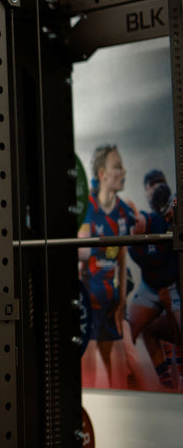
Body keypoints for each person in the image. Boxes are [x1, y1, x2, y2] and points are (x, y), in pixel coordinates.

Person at [77, 144, 145, 389]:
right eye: (117, 166)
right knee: (88, 382)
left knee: (120, 381)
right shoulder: (86, 209)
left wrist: (121, 310)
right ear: (103, 174)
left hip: (112, 306)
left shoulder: (124, 212)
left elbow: (122, 258)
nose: (123, 171)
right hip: (88, 306)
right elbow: (78, 255)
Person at [127, 169, 181, 390]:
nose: (168, 218)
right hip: (151, 287)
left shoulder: (173, 211)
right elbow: (142, 220)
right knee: (134, 328)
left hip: (174, 287)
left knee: (176, 331)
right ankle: (165, 383)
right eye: (150, 189)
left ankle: (177, 380)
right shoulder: (152, 219)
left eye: (159, 185)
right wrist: (138, 232)